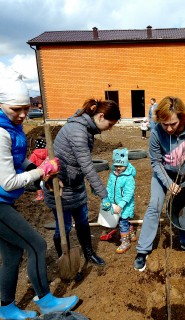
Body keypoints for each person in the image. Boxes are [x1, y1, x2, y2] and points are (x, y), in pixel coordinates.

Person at [0, 74, 78, 319]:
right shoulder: (1, 133)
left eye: (26, 108)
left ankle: (6, 308)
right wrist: (40, 171)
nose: (23, 114)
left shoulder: (12, 128)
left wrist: (41, 172)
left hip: (5, 201)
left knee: (12, 255)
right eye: (16, 109)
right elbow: (8, 181)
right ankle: (46, 301)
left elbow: (17, 163)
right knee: (37, 244)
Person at [44, 98, 121, 266]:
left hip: (76, 184)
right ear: (100, 117)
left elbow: (81, 164)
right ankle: (65, 260)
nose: (110, 128)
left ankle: (88, 253)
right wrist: (104, 196)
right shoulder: (77, 131)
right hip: (60, 187)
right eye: (110, 124)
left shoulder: (87, 129)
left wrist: (93, 187)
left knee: (82, 222)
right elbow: (87, 166)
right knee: (63, 228)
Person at [134, 96, 185, 272]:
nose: (169, 128)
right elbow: (155, 161)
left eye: (173, 124)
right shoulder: (156, 131)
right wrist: (169, 183)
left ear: (182, 118)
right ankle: (143, 250)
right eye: (165, 124)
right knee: (154, 206)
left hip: (184, 174)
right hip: (162, 173)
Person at [106, 148, 137, 253]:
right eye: (116, 166)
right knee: (124, 221)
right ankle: (131, 233)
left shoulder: (129, 178)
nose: (118, 168)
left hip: (125, 206)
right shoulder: (112, 175)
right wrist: (107, 199)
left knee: (122, 223)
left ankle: (125, 242)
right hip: (115, 204)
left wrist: (121, 205)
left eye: (121, 166)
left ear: (126, 164)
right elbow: (109, 187)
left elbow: (129, 194)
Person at [29, 136, 48, 201]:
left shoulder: (34, 155)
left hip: (37, 172)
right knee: (48, 183)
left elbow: (30, 163)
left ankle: (40, 196)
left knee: (36, 184)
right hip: (47, 172)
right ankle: (48, 195)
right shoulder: (48, 153)